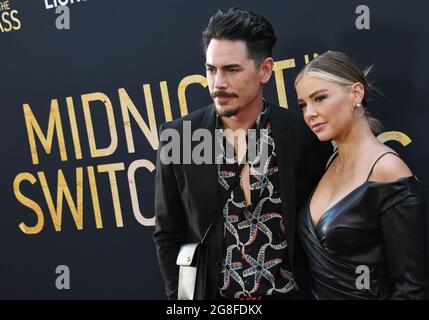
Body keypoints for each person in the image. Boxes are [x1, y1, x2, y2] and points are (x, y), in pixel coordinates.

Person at [153, 7, 332, 300]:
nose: (218, 83)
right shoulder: (182, 137)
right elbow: (167, 234)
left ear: (265, 70)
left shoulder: (301, 134)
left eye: (232, 69)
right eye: (211, 70)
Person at [294, 50, 429, 299]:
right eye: (303, 105)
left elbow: (411, 288)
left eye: (320, 98)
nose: (309, 113)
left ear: (356, 93)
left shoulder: (387, 170)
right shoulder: (330, 162)